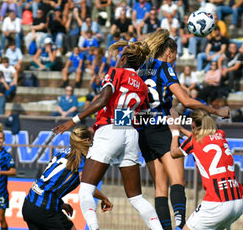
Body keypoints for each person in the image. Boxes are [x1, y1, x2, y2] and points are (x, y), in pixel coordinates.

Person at [54, 40, 163, 230]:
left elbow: (103, 100)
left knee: (86, 191)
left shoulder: (115, 72)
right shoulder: (142, 85)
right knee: (136, 197)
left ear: (123, 59)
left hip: (110, 130)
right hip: (130, 134)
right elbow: (143, 114)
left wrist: (73, 121)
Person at [139, 29, 229, 230]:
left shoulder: (142, 67)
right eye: (176, 54)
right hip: (162, 128)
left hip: (142, 130)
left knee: (159, 189)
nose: (175, 59)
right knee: (177, 181)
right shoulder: (165, 67)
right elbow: (186, 100)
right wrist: (216, 111)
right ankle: (179, 226)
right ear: (169, 51)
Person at [22, 125, 113, 229]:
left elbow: (49, 183)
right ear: (88, 141)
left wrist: (60, 204)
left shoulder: (63, 152)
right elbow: (86, 186)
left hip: (29, 203)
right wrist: (104, 198)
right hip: (45, 207)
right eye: (94, 138)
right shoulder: (81, 160)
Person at [168, 108, 243, 230]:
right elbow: (201, 138)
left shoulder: (193, 141)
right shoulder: (220, 135)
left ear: (193, 124)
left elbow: (174, 152)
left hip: (217, 203)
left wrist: (174, 132)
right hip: (237, 202)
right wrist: (181, 129)